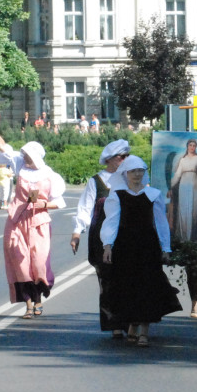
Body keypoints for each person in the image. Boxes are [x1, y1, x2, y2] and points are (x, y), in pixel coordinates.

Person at [0, 114, 67, 319]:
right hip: (16, 221)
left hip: (39, 221)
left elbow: (60, 202)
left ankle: (39, 299)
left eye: (27, 155)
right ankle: (29, 305)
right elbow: (4, 147)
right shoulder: (19, 166)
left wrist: (43, 203)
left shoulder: (50, 175)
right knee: (21, 265)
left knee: (38, 263)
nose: (23, 157)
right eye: (23, 154)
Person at [100, 156, 182, 346]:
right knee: (128, 286)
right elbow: (111, 221)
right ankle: (132, 325)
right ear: (125, 174)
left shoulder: (153, 194)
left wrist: (166, 247)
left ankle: (144, 330)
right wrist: (107, 245)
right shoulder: (117, 195)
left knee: (147, 287)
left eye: (140, 171)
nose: (137, 174)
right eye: (133, 171)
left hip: (147, 246)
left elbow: (161, 223)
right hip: (125, 247)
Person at [71, 139, 130, 338]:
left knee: (128, 278)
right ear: (110, 159)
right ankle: (113, 322)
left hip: (126, 235)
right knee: (107, 280)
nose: (125, 160)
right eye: (122, 157)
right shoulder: (97, 181)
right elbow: (85, 208)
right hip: (101, 237)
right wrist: (77, 232)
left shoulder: (131, 178)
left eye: (127, 157)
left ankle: (130, 320)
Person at [168, 139, 197, 242]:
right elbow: (177, 175)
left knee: (193, 210)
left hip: (194, 185)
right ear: (187, 146)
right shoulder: (183, 160)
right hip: (183, 185)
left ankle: (191, 237)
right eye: (190, 145)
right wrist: (170, 186)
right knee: (183, 210)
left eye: (194, 145)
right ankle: (183, 237)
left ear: (195, 147)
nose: (192, 147)